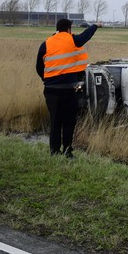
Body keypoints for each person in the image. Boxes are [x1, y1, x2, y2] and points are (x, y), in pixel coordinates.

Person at [36, 18, 99, 158]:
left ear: (57, 29)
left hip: (51, 90)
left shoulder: (45, 44)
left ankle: (54, 151)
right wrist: (95, 25)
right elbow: (85, 36)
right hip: (70, 90)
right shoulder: (72, 40)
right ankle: (67, 151)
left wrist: (46, 80)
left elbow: (39, 67)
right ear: (69, 29)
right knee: (69, 122)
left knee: (55, 122)